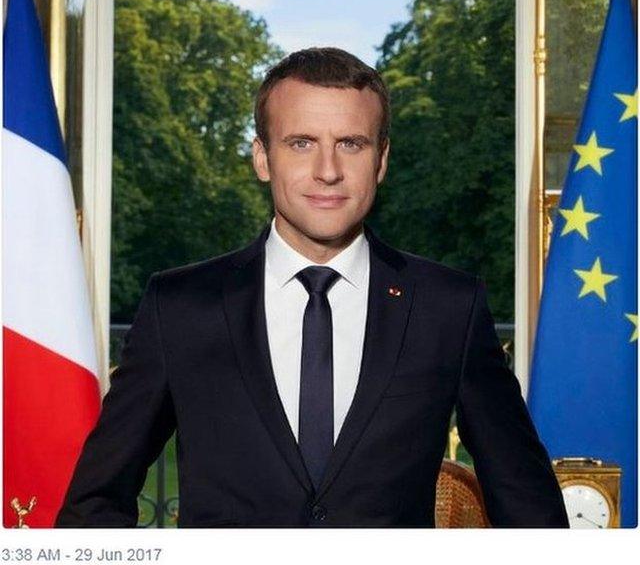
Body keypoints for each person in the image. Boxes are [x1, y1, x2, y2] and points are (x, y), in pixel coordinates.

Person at [56, 47, 569, 528]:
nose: (328, 171)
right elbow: (94, 502)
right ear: (263, 158)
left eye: (351, 143)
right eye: (301, 143)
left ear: (382, 160)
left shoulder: (448, 308)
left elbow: (528, 504)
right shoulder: (181, 307)